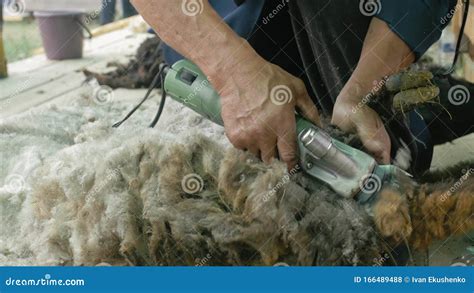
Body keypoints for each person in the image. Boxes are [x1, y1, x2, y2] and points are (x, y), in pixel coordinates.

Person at [130, 0, 472, 176]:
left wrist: (362, 91)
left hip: (347, 54)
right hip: (223, 37)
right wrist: (235, 74)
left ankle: (364, 120)